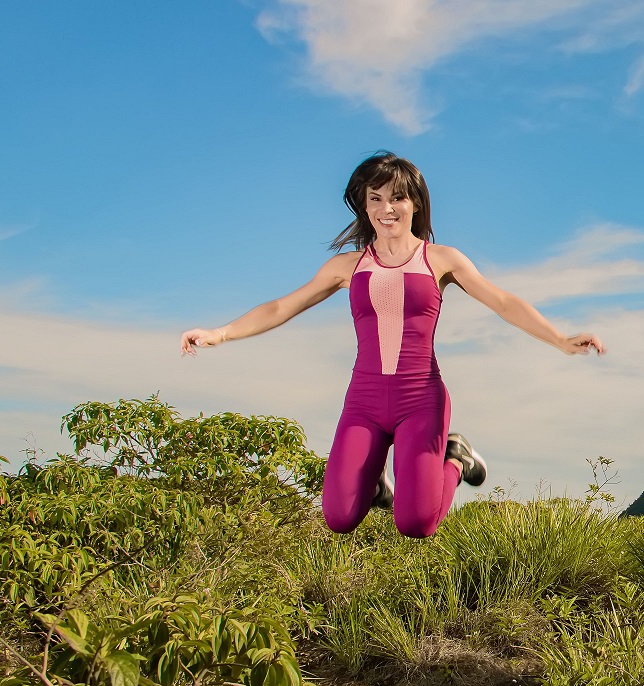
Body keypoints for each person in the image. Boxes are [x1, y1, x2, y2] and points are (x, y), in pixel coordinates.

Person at [179, 152, 606, 537]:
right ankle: (378, 484)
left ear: (415, 203)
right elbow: (279, 307)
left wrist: (559, 339)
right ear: (364, 206)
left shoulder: (441, 260)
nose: (387, 209)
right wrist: (220, 333)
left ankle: (455, 457)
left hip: (419, 397)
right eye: (376, 199)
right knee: (340, 518)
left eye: (397, 198)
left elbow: (503, 301)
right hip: (364, 400)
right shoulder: (347, 266)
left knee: (417, 524)